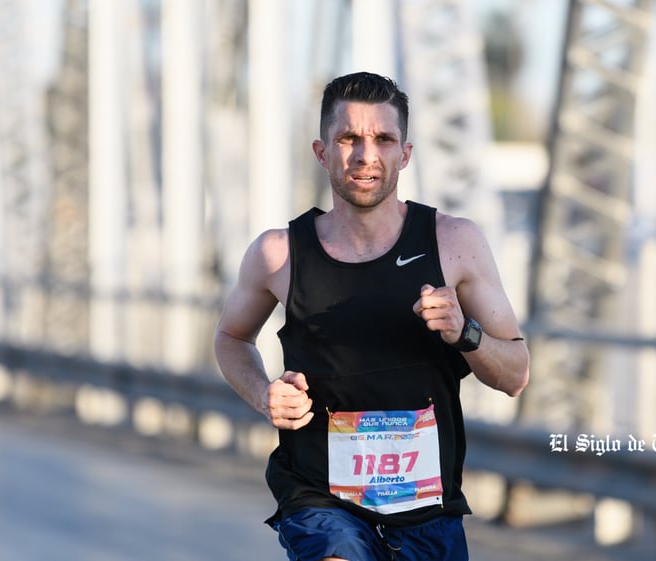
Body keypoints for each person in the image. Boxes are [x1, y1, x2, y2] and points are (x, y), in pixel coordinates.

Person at [214, 71, 529, 561]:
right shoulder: (279, 254)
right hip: (319, 498)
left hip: (427, 510)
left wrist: (463, 332)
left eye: (383, 139)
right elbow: (232, 337)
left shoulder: (455, 243)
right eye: (349, 139)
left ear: (404, 154)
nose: (366, 156)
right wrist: (263, 395)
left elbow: (515, 374)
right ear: (322, 152)